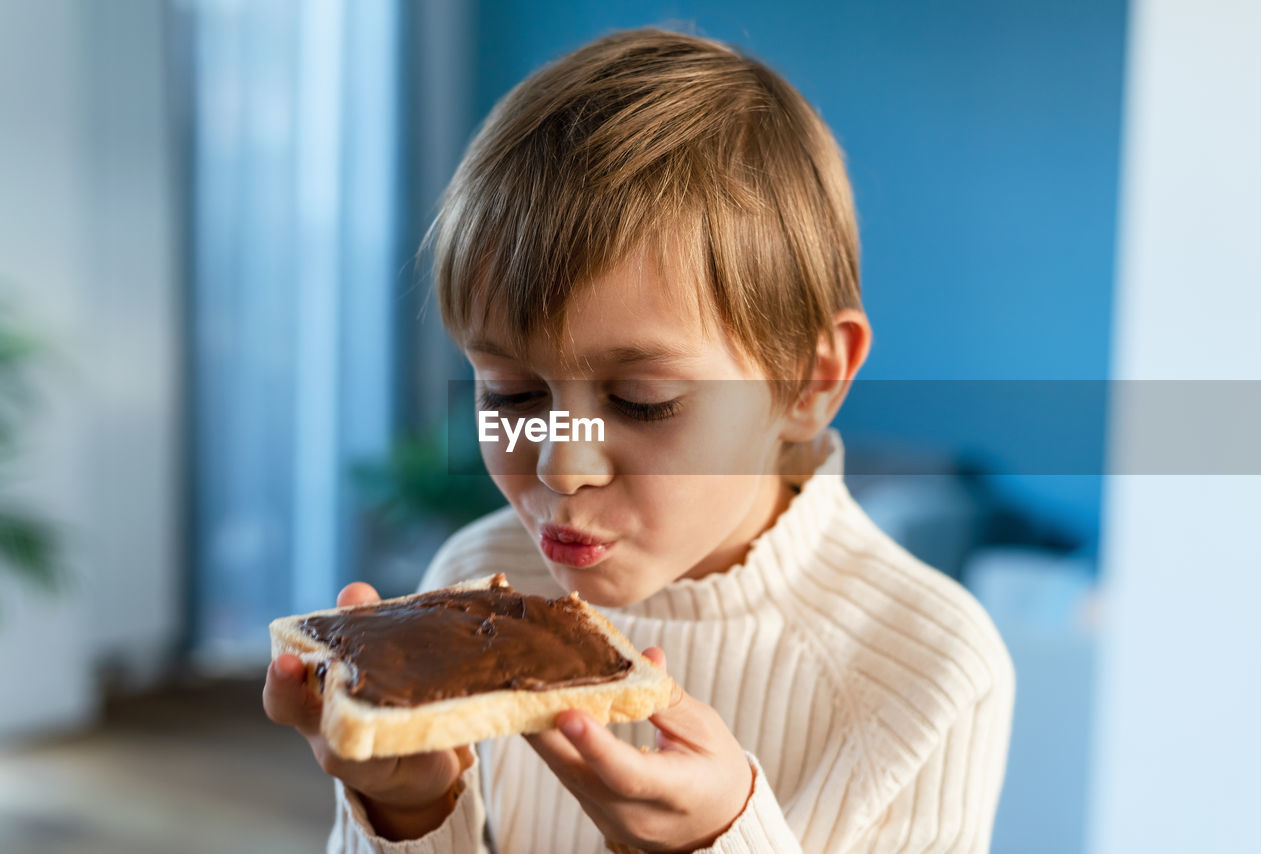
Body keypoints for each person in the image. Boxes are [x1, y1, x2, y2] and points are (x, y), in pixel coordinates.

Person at [264, 26, 1014, 853]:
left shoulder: (930, 673)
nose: (562, 463)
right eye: (512, 393)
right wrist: (409, 812)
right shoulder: (473, 583)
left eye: (642, 399)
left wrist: (723, 839)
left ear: (811, 380)